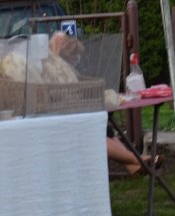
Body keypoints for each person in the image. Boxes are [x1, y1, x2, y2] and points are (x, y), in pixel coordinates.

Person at [48, 31, 162, 177]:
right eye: (73, 56)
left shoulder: (65, 68)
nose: (75, 60)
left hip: (77, 117)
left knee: (106, 132)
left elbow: (79, 83)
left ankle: (133, 166)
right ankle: (140, 160)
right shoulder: (54, 70)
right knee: (96, 134)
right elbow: (68, 94)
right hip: (65, 124)